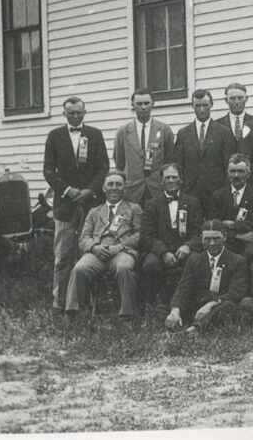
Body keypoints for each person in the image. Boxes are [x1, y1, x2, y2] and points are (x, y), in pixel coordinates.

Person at [41, 95, 109, 310]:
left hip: (91, 205)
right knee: (63, 255)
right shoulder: (54, 136)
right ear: (64, 114)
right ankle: (60, 303)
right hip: (65, 205)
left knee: (90, 254)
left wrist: (89, 190)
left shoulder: (95, 135)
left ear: (84, 113)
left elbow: (103, 167)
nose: (75, 116)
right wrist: (68, 190)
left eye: (79, 112)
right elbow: (48, 171)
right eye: (71, 113)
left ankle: (87, 302)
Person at [65, 171, 143, 319]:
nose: (114, 188)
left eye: (119, 184)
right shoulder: (94, 211)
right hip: (97, 253)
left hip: (122, 252)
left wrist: (120, 246)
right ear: (103, 188)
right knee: (79, 268)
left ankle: (127, 314)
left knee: (124, 267)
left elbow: (140, 235)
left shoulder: (134, 209)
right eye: (110, 184)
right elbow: (84, 237)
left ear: (125, 188)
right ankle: (72, 313)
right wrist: (94, 247)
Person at [166, 221, 247, 333]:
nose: (212, 243)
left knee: (229, 306)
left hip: (220, 305)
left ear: (225, 237)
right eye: (207, 239)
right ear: (202, 239)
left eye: (216, 238)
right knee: (169, 307)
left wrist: (211, 305)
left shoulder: (238, 261)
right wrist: (175, 310)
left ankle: (197, 328)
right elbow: (184, 287)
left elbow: (235, 293)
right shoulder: (194, 260)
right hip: (198, 306)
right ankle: (181, 321)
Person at [139, 163, 203, 302]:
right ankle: (154, 303)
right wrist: (163, 252)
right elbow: (147, 236)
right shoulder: (151, 204)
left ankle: (191, 303)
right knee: (150, 264)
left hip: (184, 248)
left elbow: (199, 233)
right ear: (161, 181)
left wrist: (188, 246)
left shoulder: (193, 202)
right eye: (167, 178)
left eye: (174, 177)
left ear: (181, 180)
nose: (171, 181)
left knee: (196, 261)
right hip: (161, 250)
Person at [173, 88, 240, 208]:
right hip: (190, 193)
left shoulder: (224, 132)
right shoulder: (183, 134)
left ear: (211, 105)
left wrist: (225, 192)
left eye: (205, 105)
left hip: (216, 193)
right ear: (192, 106)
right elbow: (179, 166)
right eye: (198, 106)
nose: (202, 109)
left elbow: (228, 166)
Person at [112, 88, 175, 204]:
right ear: (132, 105)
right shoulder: (123, 132)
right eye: (139, 103)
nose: (143, 107)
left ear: (153, 104)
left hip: (157, 189)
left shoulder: (164, 130)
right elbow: (119, 162)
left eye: (146, 103)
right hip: (132, 191)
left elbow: (169, 160)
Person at [206, 154, 253, 256]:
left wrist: (233, 224)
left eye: (240, 171)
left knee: (252, 253)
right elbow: (215, 225)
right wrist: (237, 236)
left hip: (250, 241)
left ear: (248, 174)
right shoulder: (218, 195)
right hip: (226, 241)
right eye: (232, 171)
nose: (236, 175)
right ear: (227, 173)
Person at [221, 81, 253, 146]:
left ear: (246, 99)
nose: (237, 102)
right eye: (232, 98)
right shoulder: (218, 124)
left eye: (240, 98)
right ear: (226, 100)